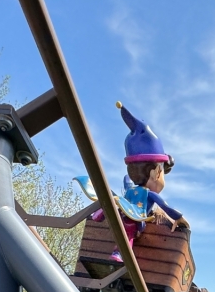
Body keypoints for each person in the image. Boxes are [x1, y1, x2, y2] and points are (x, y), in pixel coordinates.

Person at [79, 103, 189, 262]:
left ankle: (109, 232)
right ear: (156, 173)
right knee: (121, 214)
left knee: (122, 214)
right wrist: (178, 217)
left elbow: (130, 184)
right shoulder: (145, 193)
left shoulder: (136, 190)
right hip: (131, 216)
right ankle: (118, 249)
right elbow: (164, 205)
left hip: (134, 218)